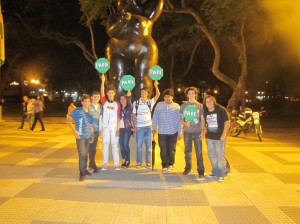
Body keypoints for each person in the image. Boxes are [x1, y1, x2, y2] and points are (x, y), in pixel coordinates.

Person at [106, 0, 164, 97]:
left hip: (144, 48)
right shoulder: (114, 17)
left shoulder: (147, 16)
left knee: (143, 78)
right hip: (117, 48)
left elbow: (158, 5)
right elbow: (111, 32)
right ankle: (119, 107)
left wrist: (136, 9)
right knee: (117, 78)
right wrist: (122, 21)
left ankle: (142, 106)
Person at [152, 89, 182, 173]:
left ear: (172, 97)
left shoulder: (177, 106)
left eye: (169, 96)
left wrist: (180, 132)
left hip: (173, 132)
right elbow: (155, 117)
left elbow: (179, 120)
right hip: (162, 132)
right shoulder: (159, 105)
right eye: (166, 96)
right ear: (164, 97)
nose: (167, 98)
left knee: (172, 149)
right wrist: (154, 128)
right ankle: (164, 165)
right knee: (163, 149)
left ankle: (170, 165)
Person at [132, 80, 160, 167]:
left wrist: (156, 86)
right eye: (142, 92)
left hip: (148, 127)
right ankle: (139, 162)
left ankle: (148, 161)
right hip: (139, 128)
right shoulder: (136, 103)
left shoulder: (150, 102)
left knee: (149, 147)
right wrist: (135, 126)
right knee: (139, 147)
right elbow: (133, 115)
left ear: (147, 94)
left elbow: (158, 95)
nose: (143, 93)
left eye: (145, 92)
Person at [203, 95, 230, 182]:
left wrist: (224, 134)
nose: (209, 103)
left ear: (214, 101)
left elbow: (227, 121)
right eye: (207, 102)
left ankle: (221, 174)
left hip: (219, 137)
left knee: (220, 155)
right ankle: (215, 171)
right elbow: (204, 123)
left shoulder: (221, 109)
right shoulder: (206, 111)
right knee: (211, 155)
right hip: (209, 137)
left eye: (210, 101)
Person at [67, 94, 94, 181]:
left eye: (88, 101)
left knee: (86, 155)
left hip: (88, 136)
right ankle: (82, 173)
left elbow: (90, 125)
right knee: (82, 154)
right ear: (82, 102)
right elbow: (68, 120)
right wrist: (74, 132)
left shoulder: (90, 112)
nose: (87, 103)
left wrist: (92, 135)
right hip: (80, 137)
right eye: (85, 101)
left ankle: (85, 169)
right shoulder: (78, 110)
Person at [180, 87, 205, 179]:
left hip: (197, 131)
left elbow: (202, 119)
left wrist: (203, 131)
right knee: (187, 152)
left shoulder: (200, 105)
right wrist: (184, 122)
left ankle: (201, 170)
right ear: (187, 95)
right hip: (187, 132)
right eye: (189, 93)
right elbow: (181, 118)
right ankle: (188, 168)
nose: (191, 95)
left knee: (199, 152)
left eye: (192, 93)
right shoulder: (184, 106)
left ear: (195, 94)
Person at [100, 74, 121, 170]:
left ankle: (116, 164)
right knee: (105, 144)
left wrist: (118, 129)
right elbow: (101, 94)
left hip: (114, 127)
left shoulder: (117, 104)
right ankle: (105, 163)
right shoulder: (104, 102)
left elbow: (118, 117)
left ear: (114, 93)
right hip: (105, 127)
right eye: (109, 93)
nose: (110, 94)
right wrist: (103, 81)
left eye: (112, 93)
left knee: (114, 145)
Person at [88, 91, 102, 173]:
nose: (97, 98)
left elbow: (101, 118)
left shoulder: (100, 106)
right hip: (90, 130)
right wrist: (91, 130)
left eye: (98, 97)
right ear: (91, 97)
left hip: (97, 130)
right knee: (91, 148)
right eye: (95, 96)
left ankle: (92, 164)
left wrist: (100, 129)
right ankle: (91, 165)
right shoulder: (89, 106)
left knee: (93, 148)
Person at [119, 91, 133, 168]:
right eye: (121, 99)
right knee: (121, 145)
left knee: (125, 144)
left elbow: (130, 102)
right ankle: (123, 159)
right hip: (120, 128)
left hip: (127, 129)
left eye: (124, 99)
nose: (122, 100)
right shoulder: (119, 108)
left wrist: (128, 96)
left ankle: (128, 159)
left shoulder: (129, 107)